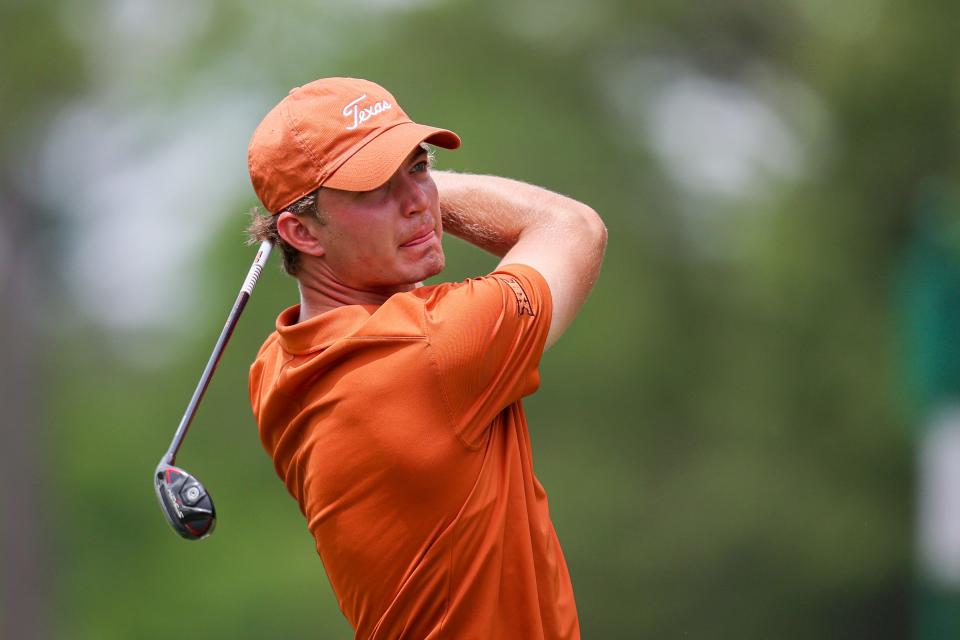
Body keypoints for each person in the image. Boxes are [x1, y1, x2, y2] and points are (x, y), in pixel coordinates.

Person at [246, 77, 606, 639]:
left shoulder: (278, 365)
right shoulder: (426, 349)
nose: (419, 201)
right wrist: (429, 191)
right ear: (300, 232)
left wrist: (393, 196)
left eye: (419, 167)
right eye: (374, 190)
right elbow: (573, 228)